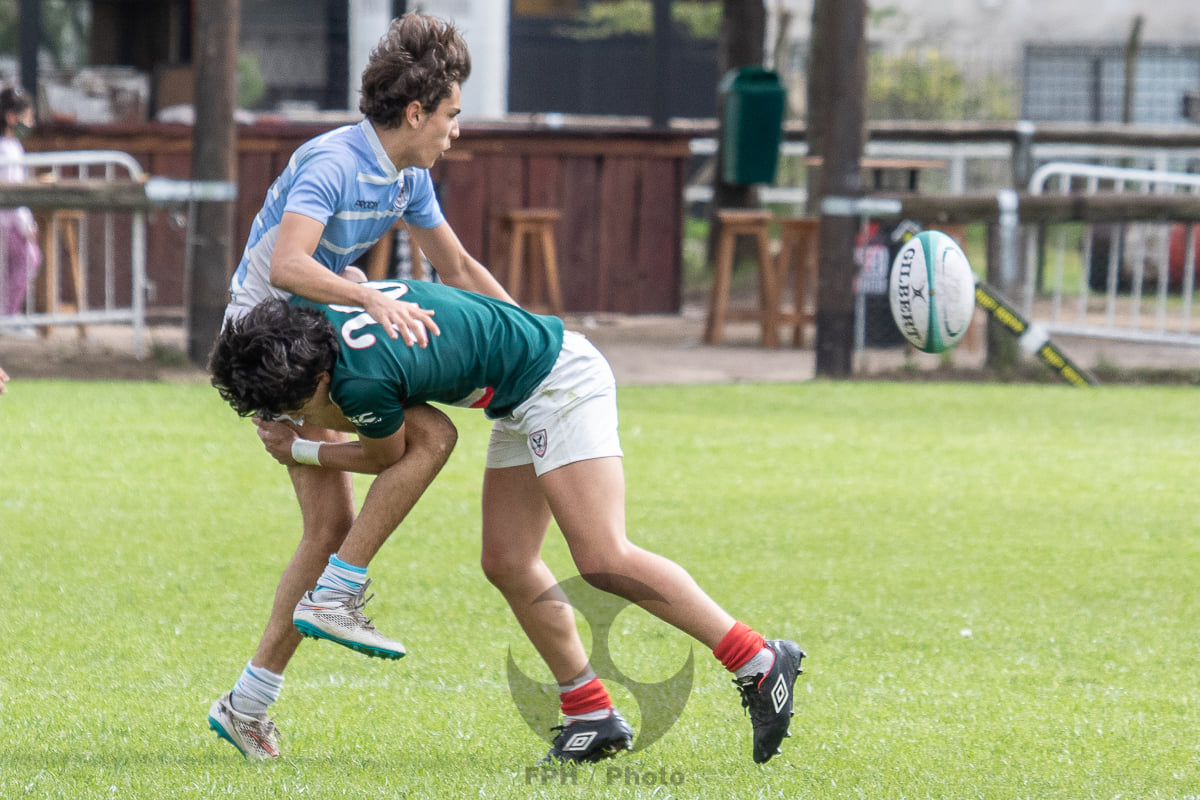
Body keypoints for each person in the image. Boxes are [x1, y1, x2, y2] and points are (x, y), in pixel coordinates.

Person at [209, 281, 806, 765]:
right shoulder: (313, 316)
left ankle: (757, 659)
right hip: (521, 393)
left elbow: (386, 457)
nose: (294, 419)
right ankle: (590, 712)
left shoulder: (359, 383)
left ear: (318, 377)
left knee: (602, 557)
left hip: (559, 381)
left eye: (294, 408)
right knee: (508, 560)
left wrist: (302, 451)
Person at [206, 13, 517, 761]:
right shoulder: (333, 162)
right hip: (270, 344)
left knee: (351, 508)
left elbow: (460, 268)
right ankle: (312, 623)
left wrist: (540, 342)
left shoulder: (408, 175)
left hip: (316, 332)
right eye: (450, 114)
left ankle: (252, 696)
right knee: (397, 466)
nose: (456, 131)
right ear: (415, 113)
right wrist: (369, 297)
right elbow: (287, 264)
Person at [0, 85, 41, 338]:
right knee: (29, 258)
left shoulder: (11, 147)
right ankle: (9, 315)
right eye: (27, 116)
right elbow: (13, 193)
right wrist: (26, 224)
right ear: (12, 117)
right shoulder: (8, 149)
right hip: (7, 221)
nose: (31, 122)